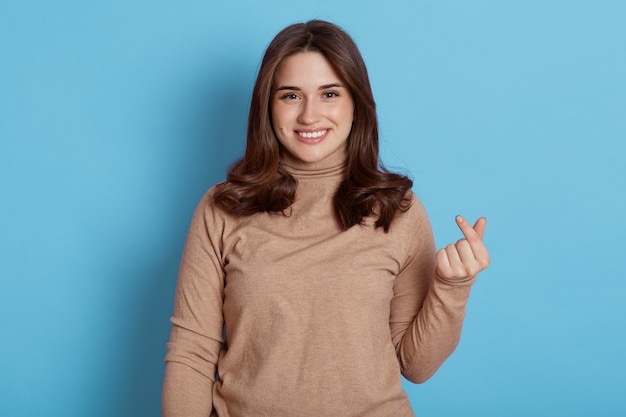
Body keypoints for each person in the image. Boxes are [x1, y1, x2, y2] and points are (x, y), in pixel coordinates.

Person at [162, 19, 490, 417]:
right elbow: (191, 354)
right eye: (291, 96)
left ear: (356, 103)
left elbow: (416, 367)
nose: (309, 115)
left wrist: (453, 287)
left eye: (329, 93)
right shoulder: (223, 208)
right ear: (268, 106)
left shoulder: (398, 211)